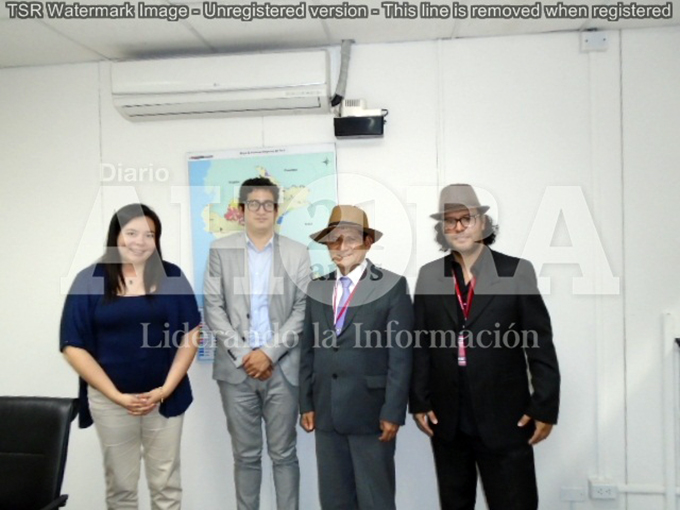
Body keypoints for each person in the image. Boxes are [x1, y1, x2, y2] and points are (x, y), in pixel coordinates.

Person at [409, 184, 561, 510]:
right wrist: (419, 400)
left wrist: (545, 406)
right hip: (448, 418)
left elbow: (539, 343)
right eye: (450, 221)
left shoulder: (515, 272)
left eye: (467, 218)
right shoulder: (429, 276)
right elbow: (420, 343)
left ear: (483, 224)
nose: (459, 227)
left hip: (506, 417)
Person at [60, 203, 201, 510]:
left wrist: (165, 390)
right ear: (116, 235)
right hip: (110, 402)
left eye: (149, 235)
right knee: (121, 489)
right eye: (132, 233)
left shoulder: (172, 276)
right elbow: (72, 345)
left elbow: (191, 335)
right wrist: (117, 396)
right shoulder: (90, 280)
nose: (140, 241)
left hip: (164, 398)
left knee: (166, 485)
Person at [203, 177, 311, 510]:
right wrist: (245, 355)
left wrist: (269, 353)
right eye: (253, 204)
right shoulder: (221, 251)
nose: (261, 210)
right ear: (241, 210)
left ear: (277, 211)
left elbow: (302, 309)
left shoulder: (297, 252)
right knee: (246, 456)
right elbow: (213, 307)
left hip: (283, 369)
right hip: (236, 371)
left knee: (284, 454)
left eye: (268, 204)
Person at [299, 205, 413, 510]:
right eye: (334, 239)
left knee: (375, 499)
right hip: (326, 412)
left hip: (371, 413)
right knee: (335, 500)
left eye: (350, 238)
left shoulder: (391, 286)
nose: (341, 246)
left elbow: (401, 356)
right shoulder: (316, 287)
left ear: (367, 242)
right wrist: (306, 402)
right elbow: (307, 349)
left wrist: (393, 411)